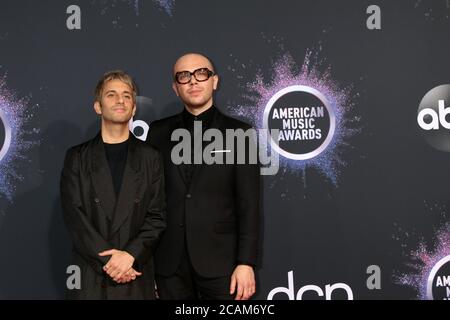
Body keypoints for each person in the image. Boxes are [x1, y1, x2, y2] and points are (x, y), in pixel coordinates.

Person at [148, 53, 260, 300]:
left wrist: (246, 262)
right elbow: (149, 202)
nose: (193, 82)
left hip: (223, 263)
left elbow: (249, 202)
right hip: (169, 264)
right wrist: (148, 268)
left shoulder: (239, 133)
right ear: (175, 88)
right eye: (184, 76)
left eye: (201, 74)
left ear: (215, 81)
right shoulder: (156, 133)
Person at [60, 70, 166, 299]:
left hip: (135, 273)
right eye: (111, 94)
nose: (120, 100)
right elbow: (75, 217)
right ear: (98, 106)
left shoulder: (151, 157)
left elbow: (156, 217)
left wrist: (129, 256)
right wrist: (110, 261)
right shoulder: (77, 157)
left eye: (127, 96)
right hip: (92, 276)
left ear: (134, 108)